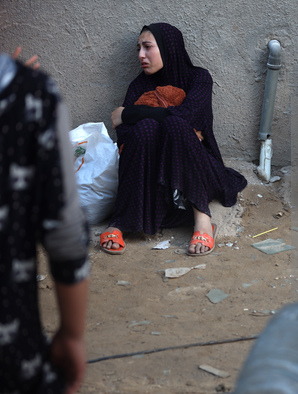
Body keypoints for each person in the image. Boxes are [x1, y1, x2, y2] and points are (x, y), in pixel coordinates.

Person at [103, 23, 247, 255]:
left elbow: (188, 115)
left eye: (147, 47)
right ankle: (121, 220)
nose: (141, 55)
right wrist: (151, 123)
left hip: (199, 170)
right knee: (147, 129)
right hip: (151, 176)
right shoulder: (137, 86)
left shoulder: (198, 78)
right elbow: (126, 136)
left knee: (176, 125)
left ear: (168, 48)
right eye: (138, 48)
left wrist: (128, 113)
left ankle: (202, 219)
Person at [0, 52, 89, 393]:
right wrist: (71, 333)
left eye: (149, 47)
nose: (142, 55)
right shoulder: (29, 94)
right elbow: (65, 234)